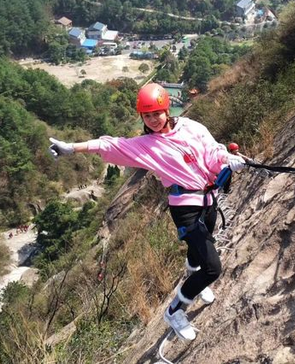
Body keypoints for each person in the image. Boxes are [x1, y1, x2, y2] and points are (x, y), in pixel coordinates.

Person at [49, 83, 245, 341]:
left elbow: (212, 150)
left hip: (209, 199)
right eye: (147, 116)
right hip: (185, 207)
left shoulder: (191, 127)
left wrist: (227, 159)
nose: (153, 120)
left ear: (167, 110)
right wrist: (72, 147)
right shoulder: (145, 145)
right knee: (212, 268)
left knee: (198, 250)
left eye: (157, 113)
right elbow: (109, 145)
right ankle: (175, 310)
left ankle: (192, 278)